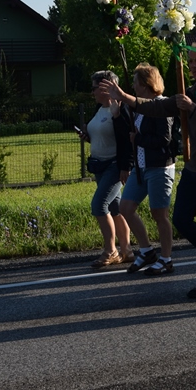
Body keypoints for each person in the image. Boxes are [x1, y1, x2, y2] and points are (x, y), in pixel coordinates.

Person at [104, 43, 196, 298]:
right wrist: (126, 98)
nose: (193, 65)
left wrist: (192, 108)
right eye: (190, 61)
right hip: (194, 167)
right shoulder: (192, 90)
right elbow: (157, 107)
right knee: (181, 218)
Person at [119, 64, 177, 276]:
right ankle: (146, 251)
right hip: (141, 167)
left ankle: (166, 259)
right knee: (125, 207)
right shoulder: (141, 107)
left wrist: (138, 139)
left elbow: (164, 139)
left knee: (159, 214)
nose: (134, 86)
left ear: (145, 85)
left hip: (159, 167)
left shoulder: (162, 106)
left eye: (136, 83)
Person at [81, 70, 133, 268]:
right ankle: (127, 250)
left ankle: (110, 251)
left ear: (105, 88)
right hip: (99, 165)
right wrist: (88, 137)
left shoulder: (120, 108)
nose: (92, 92)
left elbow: (126, 140)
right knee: (115, 208)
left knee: (99, 205)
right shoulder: (99, 108)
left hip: (114, 165)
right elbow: (103, 135)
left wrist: (125, 167)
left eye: (95, 88)